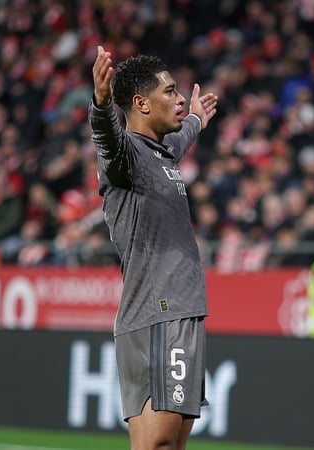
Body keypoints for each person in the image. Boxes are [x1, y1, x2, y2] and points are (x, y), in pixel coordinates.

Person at [89, 46, 218, 449]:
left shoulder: (162, 154)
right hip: (158, 315)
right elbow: (107, 140)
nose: (179, 98)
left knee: (171, 446)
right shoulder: (126, 157)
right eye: (170, 92)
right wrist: (101, 104)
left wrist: (195, 118)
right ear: (141, 103)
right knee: (158, 444)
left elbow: (181, 139)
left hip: (181, 312)